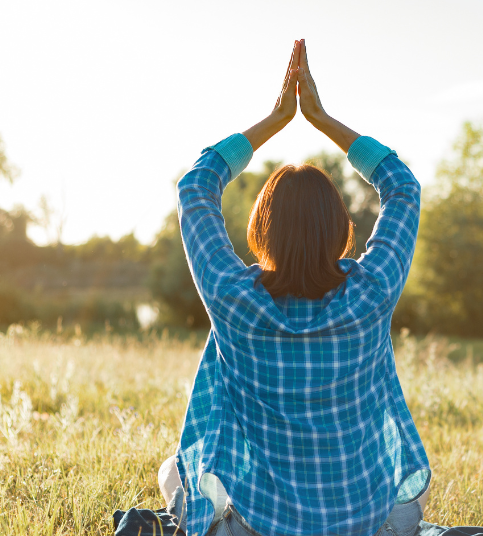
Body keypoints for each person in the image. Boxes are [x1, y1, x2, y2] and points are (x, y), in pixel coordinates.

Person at [161, 39, 431, 536]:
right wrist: (324, 120)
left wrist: (274, 119)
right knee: (406, 510)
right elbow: (402, 184)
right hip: (364, 523)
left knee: (174, 472)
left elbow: (194, 186)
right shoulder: (370, 295)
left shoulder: (233, 299)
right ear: (339, 228)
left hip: (266, 526)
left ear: (263, 230)